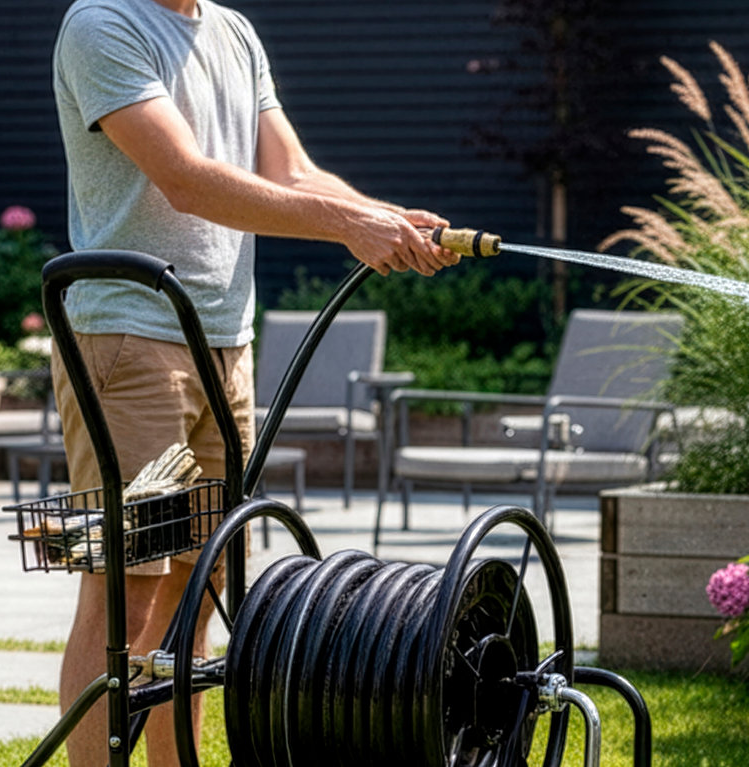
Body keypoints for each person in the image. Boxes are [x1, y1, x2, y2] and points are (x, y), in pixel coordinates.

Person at [51, 0, 460, 764]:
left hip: (224, 346)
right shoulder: (103, 23)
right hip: (130, 344)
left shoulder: (233, 31)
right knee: (124, 591)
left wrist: (383, 217)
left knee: (193, 593)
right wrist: (347, 227)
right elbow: (186, 179)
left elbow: (293, 171)